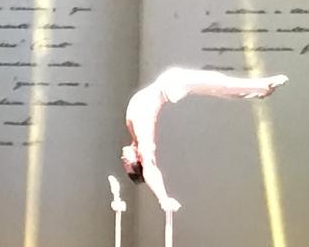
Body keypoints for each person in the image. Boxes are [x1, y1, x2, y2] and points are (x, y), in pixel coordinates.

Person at [121, 67, 288, 212]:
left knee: (219, 85)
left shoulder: (133, 129)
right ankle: (262, 87)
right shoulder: (143, 138)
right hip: (170, 86)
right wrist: (163, 198)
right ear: (137, 160)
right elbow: (150, 167)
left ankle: (260, 89)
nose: (123, 159)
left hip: (169, 84)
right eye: (128, 165)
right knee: (221, 85)